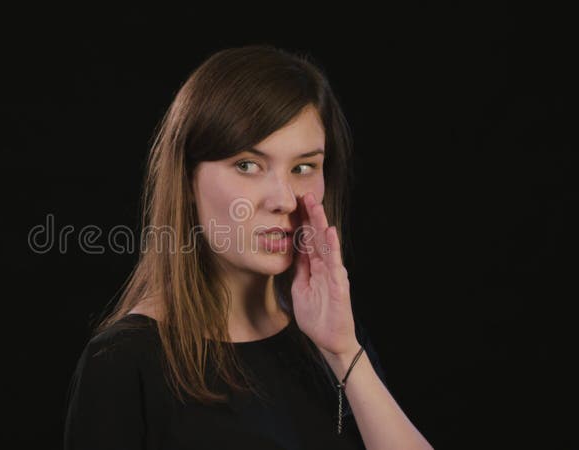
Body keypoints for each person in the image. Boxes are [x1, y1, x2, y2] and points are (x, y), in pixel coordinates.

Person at [63, 44, 433, 450]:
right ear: (188, 178)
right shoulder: (123, 363)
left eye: (303, 167)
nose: (283, 199)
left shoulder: (333, 338)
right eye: (247, 165)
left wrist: (344, 352)